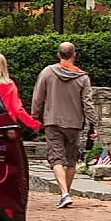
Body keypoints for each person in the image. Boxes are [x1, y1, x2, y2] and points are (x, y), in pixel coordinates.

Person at [29, 40, 93, 209]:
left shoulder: (48, 72)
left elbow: (38, 97)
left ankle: (64, 193)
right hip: (74, 123)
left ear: (58, 54)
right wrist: (93, 123)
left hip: (53, 121)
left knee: (56, 157)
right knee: (71, 160)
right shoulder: (83, 77)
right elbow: (87, 102)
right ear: (74, 55)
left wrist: (34, 116)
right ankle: (66, 193)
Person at [0, 51, 42, 134]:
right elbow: (18, 109)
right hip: (7, 125)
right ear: (4, 66)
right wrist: (34, 124)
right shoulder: (9, 85)